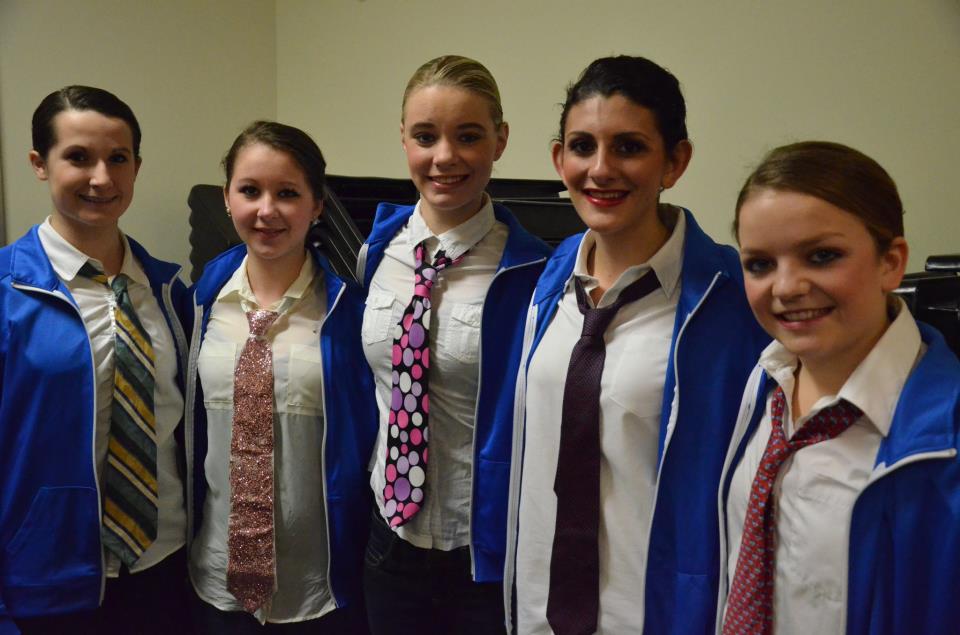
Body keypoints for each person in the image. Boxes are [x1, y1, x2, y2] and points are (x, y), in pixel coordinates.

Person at [505, 56, 770, 635]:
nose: (601, 169)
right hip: (538, 613)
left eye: (628, 147)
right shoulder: (545, 282)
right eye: (583, 147)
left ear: (675, 161)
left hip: (656, 615)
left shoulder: (732, 301)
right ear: (559, 158)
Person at [718, 141, 960, 635]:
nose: (786, 287)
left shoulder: (945, 439)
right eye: (760, 264)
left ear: (891, 262)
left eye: (822, 256)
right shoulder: (765, 382)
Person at [358, 55, 551, 635]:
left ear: (500, 140)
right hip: (388, 538)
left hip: (482, 551)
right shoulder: (375, 252)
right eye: (425, 137)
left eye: (468, 136)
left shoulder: (533, 270)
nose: (444, 157)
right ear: (403, 139)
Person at [0, 86, 192, 634]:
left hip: (166, 565)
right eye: (79, 157)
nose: (102, 179)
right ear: (40, 164)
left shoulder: (169, 291)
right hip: (46, 577)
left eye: (118, 158)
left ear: (136, 167)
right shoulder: (7, 291)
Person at [186, 121, 376, 633]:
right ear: (227, 199)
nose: (266, 210)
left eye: (287, 193)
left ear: (317, 206)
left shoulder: (350, 314)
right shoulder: (198, 304)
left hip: (319, 589)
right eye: (250, 190)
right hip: (215, 582)